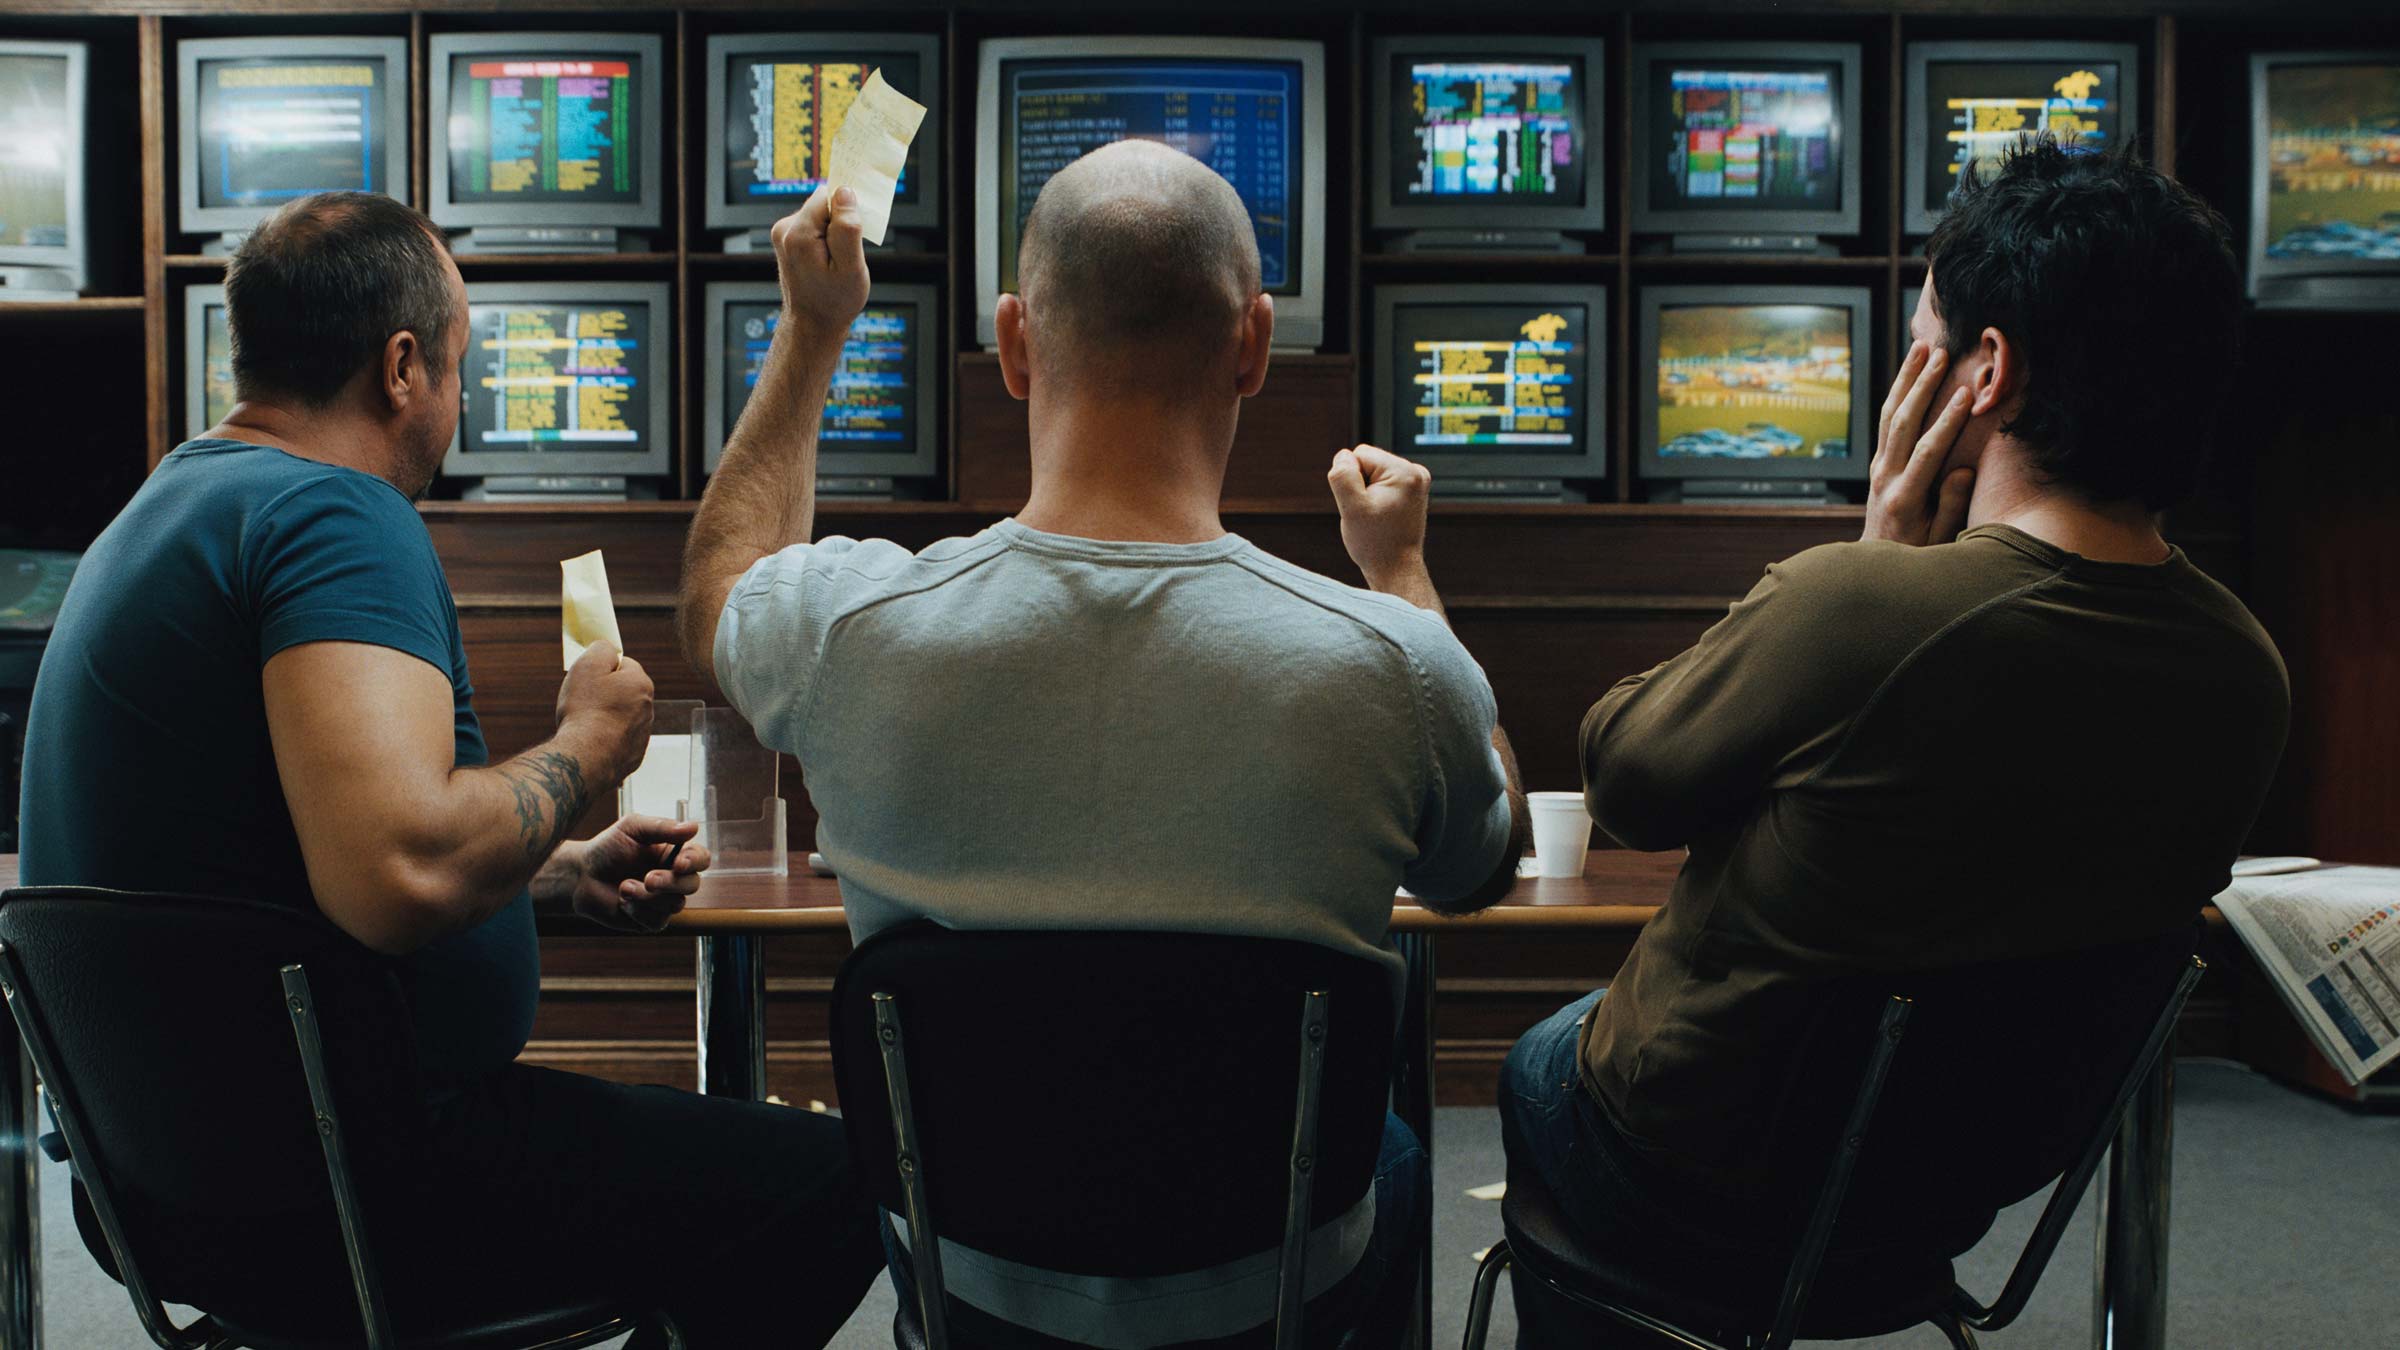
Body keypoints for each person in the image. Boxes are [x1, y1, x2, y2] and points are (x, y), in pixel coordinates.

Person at [679, 142, 1530, 1346]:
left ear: (1015, 345)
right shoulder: (1387, 659)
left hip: (974, 1282)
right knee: (1384, 1148)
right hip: (1268, 1288)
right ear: (1254, 345)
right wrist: (1398, 571)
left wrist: (816, 331)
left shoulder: (844, 627)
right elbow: (1481, 863)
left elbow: (717, 590)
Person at [19, 192, 881, 1346]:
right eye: (463, 366)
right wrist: (586, 747)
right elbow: (398, 875)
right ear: (401, 366)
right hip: (354, 1185)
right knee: (829, 1180)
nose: (461, 402)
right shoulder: (333, 513)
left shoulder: (167, 507)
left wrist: (558, 875)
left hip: (166, 1191)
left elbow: (281, 872)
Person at [1500, 140, 2292, 1342]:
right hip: (1935, 1212)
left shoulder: (1861, 607)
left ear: (1987, 373)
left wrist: (1873, 555)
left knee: (1538, 1056)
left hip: (1701, 1183)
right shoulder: (2249, 669)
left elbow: (1627, 781)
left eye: (1923, 339)